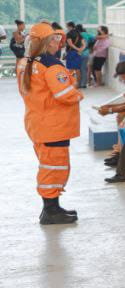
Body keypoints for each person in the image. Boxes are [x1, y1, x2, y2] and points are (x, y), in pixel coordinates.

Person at [18, 23, 84, 225]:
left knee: (48, 165)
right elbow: (64, 94)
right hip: (54, 126)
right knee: (54, 167)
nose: (58, 43)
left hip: (37, 123)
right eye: (55, 39)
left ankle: (51, 207)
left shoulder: (25, 62)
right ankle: (50, 210)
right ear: (48, 42)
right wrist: (77, 94)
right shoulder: (51, 65)